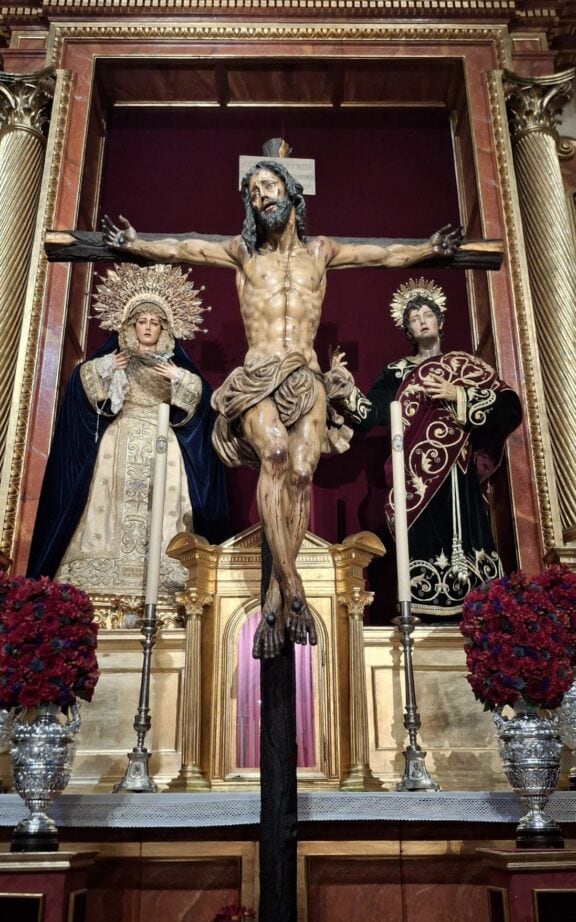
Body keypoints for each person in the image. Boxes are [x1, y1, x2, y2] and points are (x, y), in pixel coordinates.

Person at [102, 160, 462, 656]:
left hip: (306, 375)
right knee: (272, 454)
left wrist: (426, 249)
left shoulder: (322, 251)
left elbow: (382, 253)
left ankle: (275, 594)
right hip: (257, 377)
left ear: (293, 193)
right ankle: (292, 585)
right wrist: (136, 243)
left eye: (268, 188)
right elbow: (183, 245)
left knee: (299, 471)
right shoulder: (242, 253)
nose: (260, 198)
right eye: (252, 193)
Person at [27, 263, 230, 599]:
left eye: (154, 322)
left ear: (164, 328)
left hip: (162, 443)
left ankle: (166, 582)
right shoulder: (115, 358)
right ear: (131, 325)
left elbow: (203, 399)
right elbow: (81, 386)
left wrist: (178, 379)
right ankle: (100, 581)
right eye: (142, 321)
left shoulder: (172, 365)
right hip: (118, 440)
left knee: (163, 508)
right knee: (109, 499)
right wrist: (107, 367)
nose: (148, 327)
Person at [331, 277, 522, 619]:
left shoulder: (466, 368)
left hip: (457, 472)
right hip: (416, 481)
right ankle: (422, 612)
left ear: (440, 321)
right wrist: (345, 390)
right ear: (407, 329)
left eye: (426, 313)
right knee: (419, 546)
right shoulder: (396, 372)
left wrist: (459, 395)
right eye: (413, 316)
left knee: (466, 539)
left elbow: (511, 407)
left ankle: (479, 611)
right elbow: (370, 413)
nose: (421, 319)